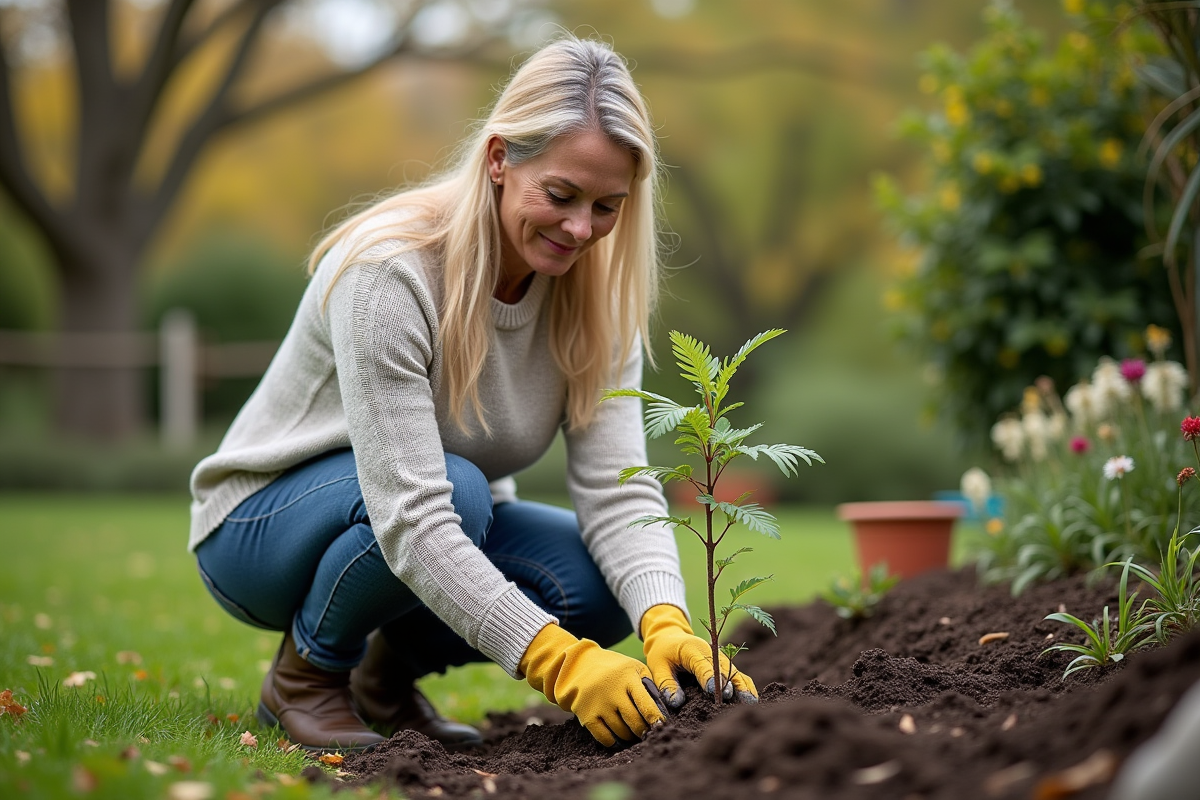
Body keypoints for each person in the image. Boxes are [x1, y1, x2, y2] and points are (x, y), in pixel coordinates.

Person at [188, 35, 758, 754]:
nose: (581, 229)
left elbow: (619, 493)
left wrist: (665, 620)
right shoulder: (388, 274)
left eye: (607, 206)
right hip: (260, 531)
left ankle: (382, 683)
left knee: (601, 580)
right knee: (460, 493)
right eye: (560, 195)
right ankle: (305, 677)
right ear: (498, 160)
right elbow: (414, 514)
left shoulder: (599, 302)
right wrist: (561, 662)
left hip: (416, 522)